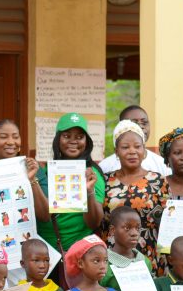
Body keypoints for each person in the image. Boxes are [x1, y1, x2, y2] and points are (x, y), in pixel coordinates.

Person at [34, 113, 104, 257]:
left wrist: (89, 191)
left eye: (79, 137)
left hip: (77, 252)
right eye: (66, 136)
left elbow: (94, 222)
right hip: (45, 253)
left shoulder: (91, 173)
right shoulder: (46, 171)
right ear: (57, 139)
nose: (73, 141)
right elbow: (42, 214)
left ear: (86, 141)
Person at [103, 119, 168, 266]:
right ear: (116, 152)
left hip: (149, 254)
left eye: (137, 146)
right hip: (113, 255)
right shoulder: (105, 181)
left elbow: (167, 222)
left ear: (144, 151)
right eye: (125, 147)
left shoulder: (158, 181)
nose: (132, 151)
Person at [99, 105, 170, 177]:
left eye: (144, 123)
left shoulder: (162, 165)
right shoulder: (105, 167)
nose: (141, 127)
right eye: (134, 123)